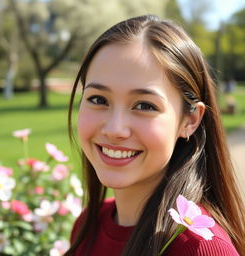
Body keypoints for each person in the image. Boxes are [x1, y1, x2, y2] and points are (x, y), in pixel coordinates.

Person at [65, 15, 245, 256]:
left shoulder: (201, 248)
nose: (114, 129)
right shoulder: (88, 224)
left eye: (145, 106)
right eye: (98, 99)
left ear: (190, 120)